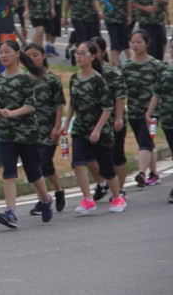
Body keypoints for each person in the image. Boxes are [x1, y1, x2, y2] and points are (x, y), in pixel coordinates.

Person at [0, 39, 54, 229]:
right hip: (7, 133)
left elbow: (31, 106)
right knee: (9, 172)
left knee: (33, 173)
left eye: (7, 52)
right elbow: (1, 105)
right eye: (1, 53)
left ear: (17, 54)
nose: (3, 56)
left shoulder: (27, 78)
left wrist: (13, 113)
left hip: (27, 133)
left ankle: (46, 200)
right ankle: (11, 213)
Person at [66, 40, 126, 215]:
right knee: (77, 163)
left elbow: (108, 107)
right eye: (77, 53)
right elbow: (72, 104)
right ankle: (87, 199)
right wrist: (65, 124)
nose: (78, 56)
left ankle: (117, 197)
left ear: (93, 56)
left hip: (100, 129)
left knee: (107, 168)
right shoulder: (74, 78)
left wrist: (98, 129)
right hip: (80, 127)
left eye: (82, 53)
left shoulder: (99, 80)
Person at [22, 43, 67, 215]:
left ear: (43, 56)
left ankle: (58, 190)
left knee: (45, 163)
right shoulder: (24, 78)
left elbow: (59, 104)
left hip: (48, 128)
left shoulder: (52, 79)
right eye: (28, 56)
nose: (31, 59)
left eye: (35, 55)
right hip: (29, 130)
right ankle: (43, 199)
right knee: (34, 166)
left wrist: (57, 126)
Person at [88, 36, 128, 200]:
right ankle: (103, 183)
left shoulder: (112, 72)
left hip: (112, 120)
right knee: (89, 156)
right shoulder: (86, 73)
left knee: (117, 155)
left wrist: (118, 118)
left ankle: (119, 189)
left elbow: (120, 96)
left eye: (95, 51)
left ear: (103, 52)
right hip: (92, 121)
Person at [123, 29, 163, 188]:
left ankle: (141, 174)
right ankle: (154, 174)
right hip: (133, 111)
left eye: (139, 42)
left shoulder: (156, 65)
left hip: (152, 112)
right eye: (133, 42)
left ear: (147, 43)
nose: (135, 45)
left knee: (146, 141)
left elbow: (161, 89)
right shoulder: (127, 66)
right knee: (144, 144)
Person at [144, 40, 173, 203]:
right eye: (172, 47)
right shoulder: (164, 68)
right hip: (168, 117)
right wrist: (149, 113)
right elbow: (157, 93)